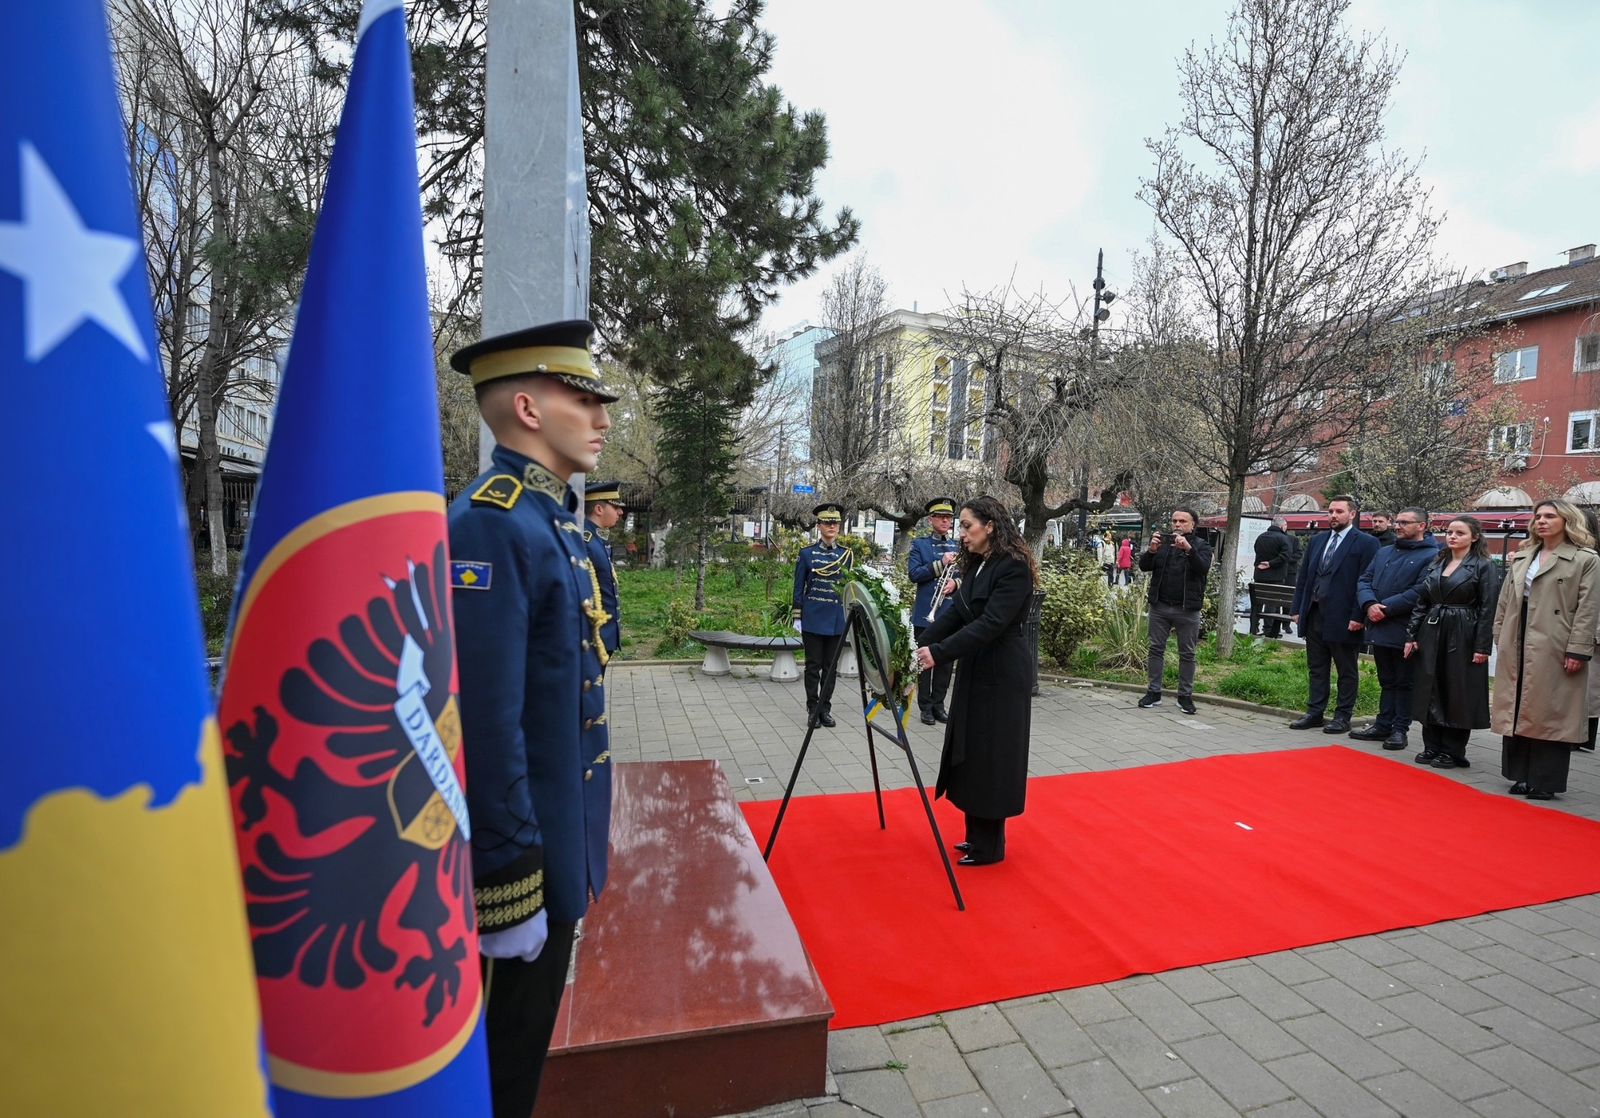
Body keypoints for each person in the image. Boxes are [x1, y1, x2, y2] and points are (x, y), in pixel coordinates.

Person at [446, 319, 618, 1117]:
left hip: (558, 847)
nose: (604, 416)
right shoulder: (492, 522)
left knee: (521, 1059)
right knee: (497, 1077)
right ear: (525, 407)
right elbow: (486, 720)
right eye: (584, 399)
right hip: (519, 871)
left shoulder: (554, 522)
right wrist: (512, 883)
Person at [913, 496, 1039, 866]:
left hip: (1002, 672)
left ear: (991, 526)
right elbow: (956, 614)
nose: (962, 534)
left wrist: (939, 654)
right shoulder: (981, 565)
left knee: (992, 756)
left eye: (967, 526)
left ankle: (990, 847)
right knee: (971, 751)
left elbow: (991, 624)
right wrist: (917, 645)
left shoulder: (1013, 567)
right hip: (978, 667)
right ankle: (975, 837)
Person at [1491, 499, 1598, 800]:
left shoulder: (1584, 559)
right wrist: (1500, 634)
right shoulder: (1524, 555)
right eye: (1538, 516)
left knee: (1550, 711)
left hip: (1555, 640)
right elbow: (1504, 601)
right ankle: (1519, 774)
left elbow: (1587, 609)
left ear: (1567, 520)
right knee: (1516, 703)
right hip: (1518, 635)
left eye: (1550, 516)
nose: (1542, 521)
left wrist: (1577, 649)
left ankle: (1544, 780)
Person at [1403, 517, 1498, 769]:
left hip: (1463, 630)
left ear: (1474, 537)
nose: (1452, 536)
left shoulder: (1483, 565)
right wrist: (1411, 636)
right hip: (1432, 630)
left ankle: (1453, 750)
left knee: (1458, 690)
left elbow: (1488, 608)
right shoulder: (1437, 562)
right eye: (1449, 532)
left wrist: (1482, 646)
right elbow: (1422, 602)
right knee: (1429, 685)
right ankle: (1431, 745)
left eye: (1460, 533)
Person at [1289, 495, 1380, 734]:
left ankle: (1342, 716)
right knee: (1317, 667)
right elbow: (1305, 578)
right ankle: (1315, 712)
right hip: (1315, 613)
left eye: (1339, 511)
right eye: (1330, 511)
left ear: (1352, 514)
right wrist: (1297, 609)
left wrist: (1359, 616)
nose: (1333, 515)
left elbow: (1367, 582)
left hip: (1345, 617)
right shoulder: (1318, 541)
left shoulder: (1365, 543)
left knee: (1346, 669)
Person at [1350, 507, 1440, 749]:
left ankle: (1400, 729)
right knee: (1386, 679)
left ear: (1422, 526)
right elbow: (1365, 579)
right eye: (1397, 522)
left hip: (1406, 627)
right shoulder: (1384, 552)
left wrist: (1385, 608)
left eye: (1405, 523)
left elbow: (1421, 590)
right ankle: (1383, 724)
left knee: (1404, 681)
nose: (1398, 526)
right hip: (1379, 625)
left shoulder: (1433, 554)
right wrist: (1369, 604)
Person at [1135, 507, 1214, 716]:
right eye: (1174, 521)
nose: (1177, 525)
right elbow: (1144, 567)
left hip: (1187, 609)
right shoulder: (1163, 544)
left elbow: (1203, 568)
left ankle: (1185, 697)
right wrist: (1152, 550)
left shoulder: (1201, 545)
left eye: (1182, 521)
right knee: (1155, 649)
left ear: (1193, 525)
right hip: (1160, 606)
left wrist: (1189, 549)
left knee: (1187, 654)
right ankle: (1153, 693)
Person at [792, 502, 854, 728]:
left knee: (830, 668)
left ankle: (825, 709)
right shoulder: (807, 554)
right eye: (827, 522)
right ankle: (812, 709)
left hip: (836, 620)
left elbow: (850, 588)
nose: (832, 526)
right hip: (813, 619)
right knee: (813, 667)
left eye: (835, 522)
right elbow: (798, 588)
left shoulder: (846, 555)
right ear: (818, 526)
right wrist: (797, 616)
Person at [907, 496, 961, 725]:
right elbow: (914, 574)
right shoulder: (920, 545)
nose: (945, 521)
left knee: (945, 662)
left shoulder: (958, 545)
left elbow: (965, 575)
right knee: (924, 663)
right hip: (925, 613)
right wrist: (940, 564)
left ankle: (939, 704)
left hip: (948, 612)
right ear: (931, 520)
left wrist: (955, 584)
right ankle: (925, 706)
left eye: (949, 517)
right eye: (941, 517)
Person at [583, 479, 625, 659]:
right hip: (592, 637)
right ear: (599, 509)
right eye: (615, 507)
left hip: (603, 636)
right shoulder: (585, 541)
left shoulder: (597, 540)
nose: (620, 512)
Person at [1251, 517, 1296, 637]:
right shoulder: (1283, 538)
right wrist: (1271, 563)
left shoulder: (1261, 537)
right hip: (1276, 576)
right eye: (1286, 525)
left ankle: (1254, 628)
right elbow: (1286, 556)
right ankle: (1268, 630)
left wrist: (1264, 564)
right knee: (1271, 604)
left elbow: (1256, 550)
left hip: (1259, 574)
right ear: (1282, 526)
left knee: (1257, 603)